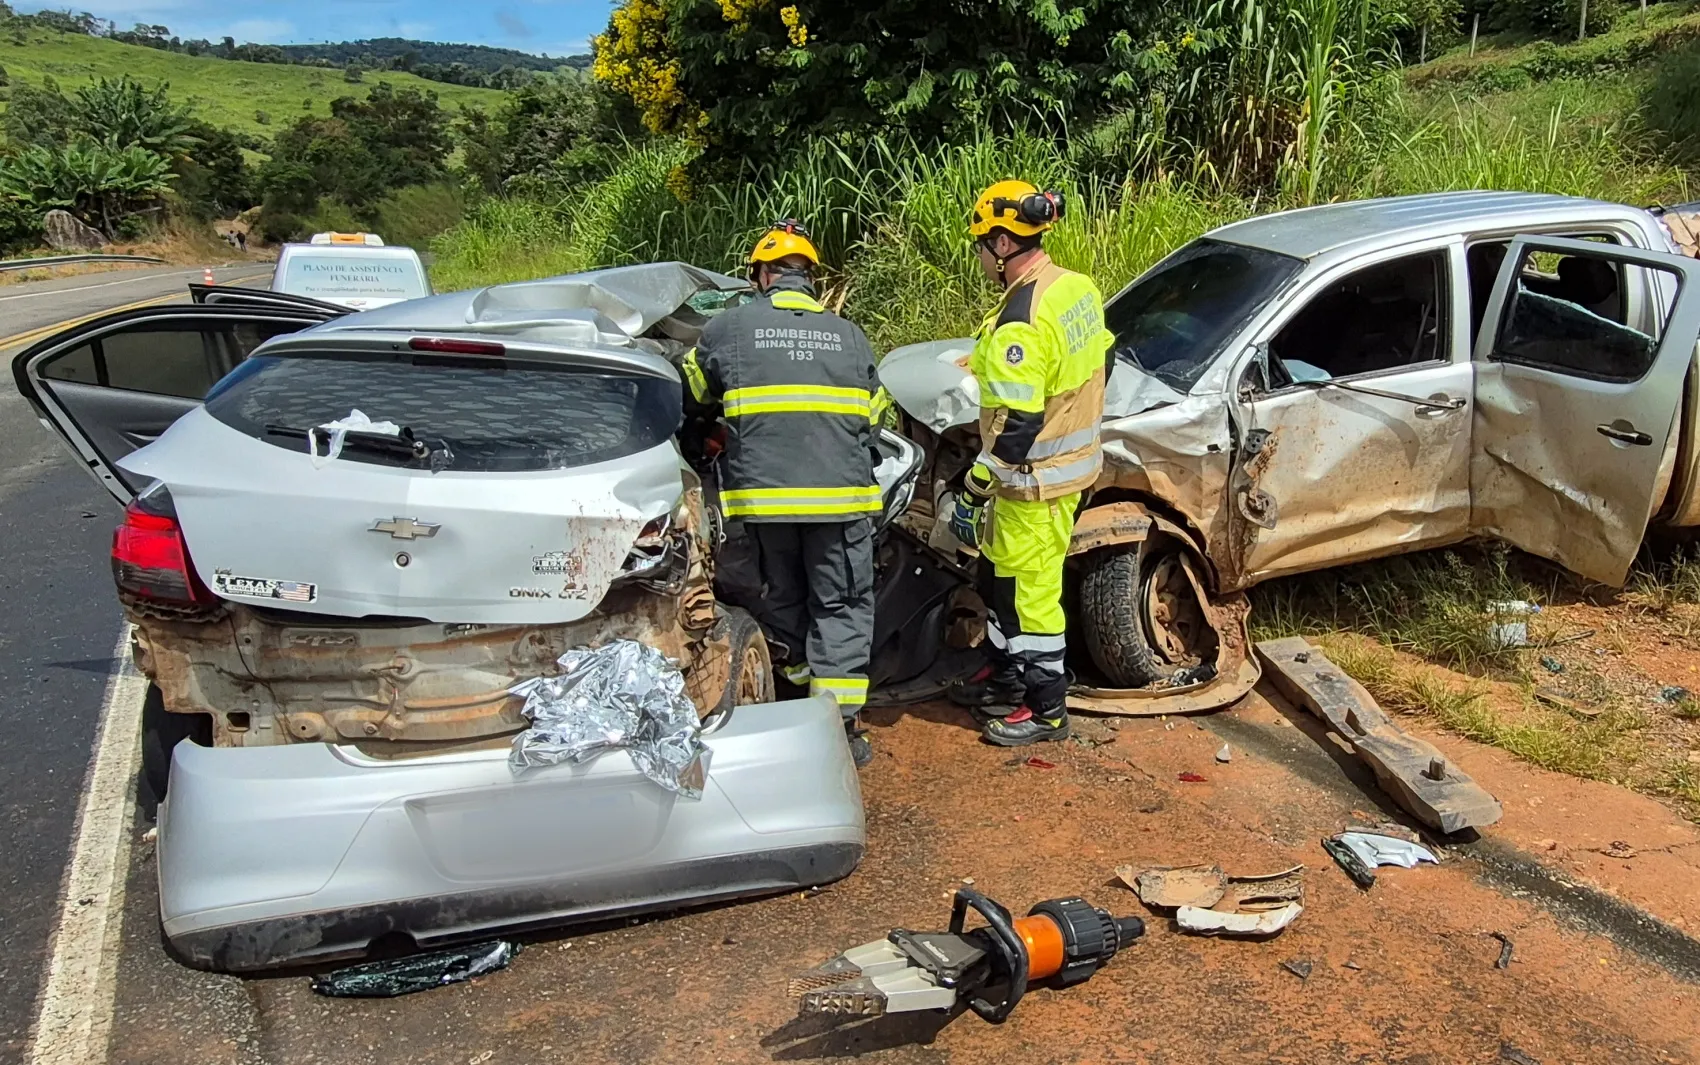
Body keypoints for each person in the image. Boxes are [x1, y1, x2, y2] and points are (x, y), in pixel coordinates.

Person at [681, 220, 885, 767]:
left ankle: (794, 691)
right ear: (810, 278)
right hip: (840, 503)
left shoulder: (727, 328)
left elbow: (693, 396)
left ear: (763, 276)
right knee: (841, 603)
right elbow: (874, 416)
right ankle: (839, 729)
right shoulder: (850, 335)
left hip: (763, 505)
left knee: (780, 594)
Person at [947, 181, 1112, 746]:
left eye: (980, 246)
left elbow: (1017, 426)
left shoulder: (1021, 320)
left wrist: (974, 487)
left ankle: (1046, 710)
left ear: (1001, 244)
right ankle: (1005, 677)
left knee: (1030, 600)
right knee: (998, 581)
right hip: (1068, 470)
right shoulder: (1074, 287)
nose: (979, 258)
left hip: (1033, 485)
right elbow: (1103, 356)